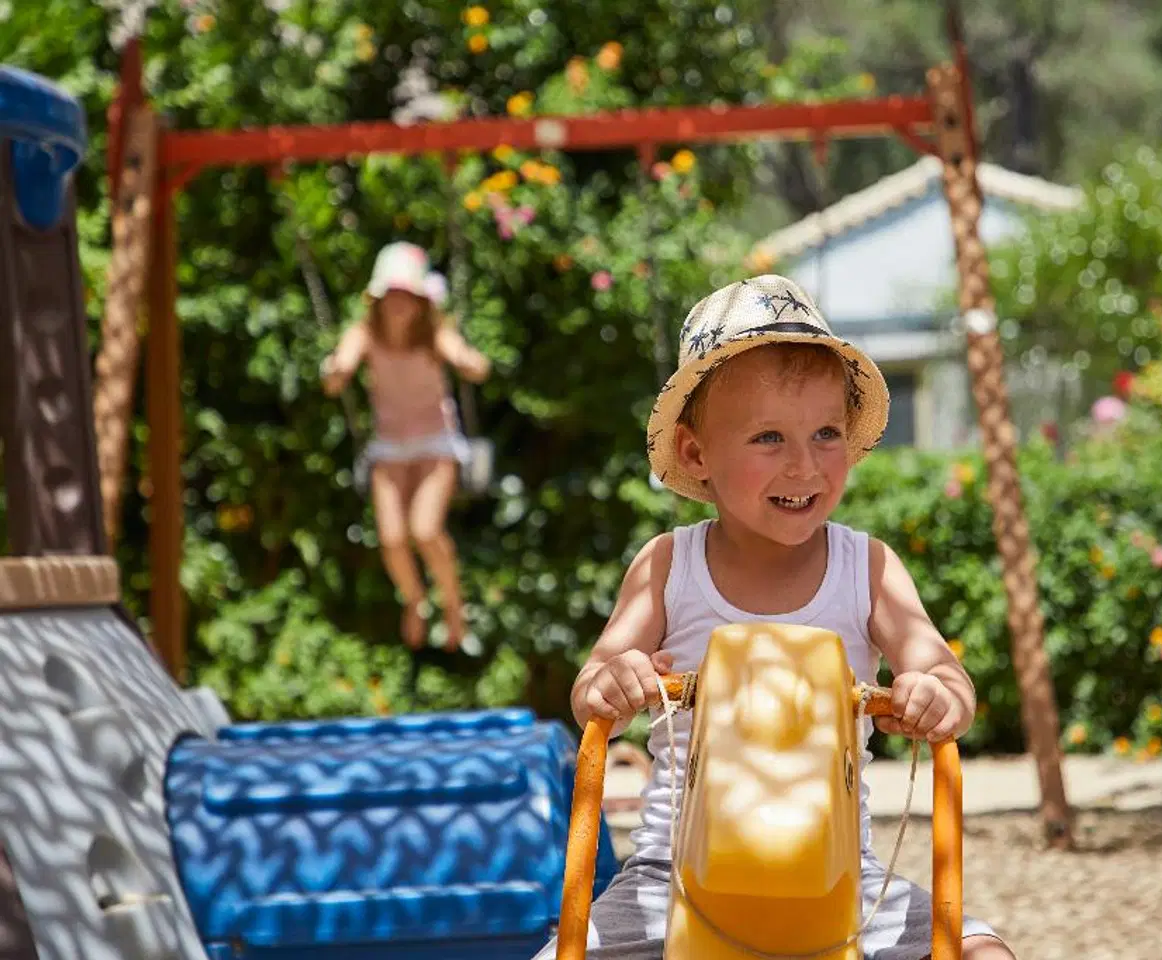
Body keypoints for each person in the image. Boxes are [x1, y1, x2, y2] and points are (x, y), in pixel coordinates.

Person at [535, 275, 1014, 959]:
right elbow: (594, 683)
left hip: (838, 869)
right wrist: (615, 681)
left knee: (982, 951)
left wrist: (937, 694)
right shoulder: (669, 567)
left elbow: (940, 667)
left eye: (825, 433)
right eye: (768, 437)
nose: (804, 465)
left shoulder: (867, 569)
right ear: (698, 454)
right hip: (674, 873)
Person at [320, 241, 492, 652]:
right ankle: (415, 598)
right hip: (389, 445)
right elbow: (338, 367)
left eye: (406, 296)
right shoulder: (363, 334)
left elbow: (471, 362)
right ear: (378, 300)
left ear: (420, 302)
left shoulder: (435, 333)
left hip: (436, 441)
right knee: (392, 538)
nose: (398, 305)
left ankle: (452, 604)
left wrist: (470, 362)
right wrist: (336, 371)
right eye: (390, 296)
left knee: (425, 530)